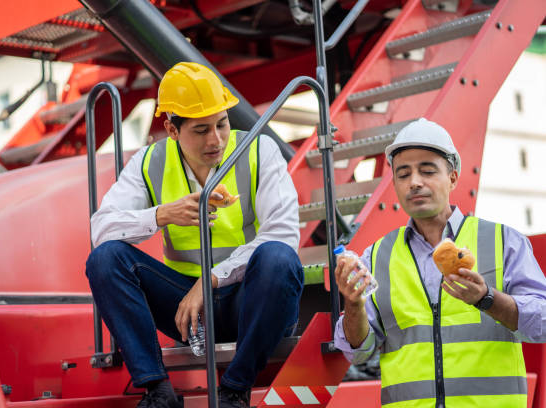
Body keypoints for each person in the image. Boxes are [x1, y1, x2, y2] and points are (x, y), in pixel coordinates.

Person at [86, 62, 303, 408]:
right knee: (105, 259)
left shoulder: (259, 151)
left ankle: (235, 391)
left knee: (279, 257)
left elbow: (285, 234)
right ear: (172, 129)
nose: (216, 139)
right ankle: (157, 391)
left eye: (222, 124)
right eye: (201, 130)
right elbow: (102, 230)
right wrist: (161, 215)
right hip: (188, 313)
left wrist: (210, 280)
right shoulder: (149, 163)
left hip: (254, 299)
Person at [334, 118, 546, 407]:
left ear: (453, 178)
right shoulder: (376, 256)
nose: (415, 182)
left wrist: (488, 299)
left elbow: (542, 323)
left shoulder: (503, 241)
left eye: (427, 171)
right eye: (403, 174)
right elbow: (359, 353)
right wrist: (353, 305)